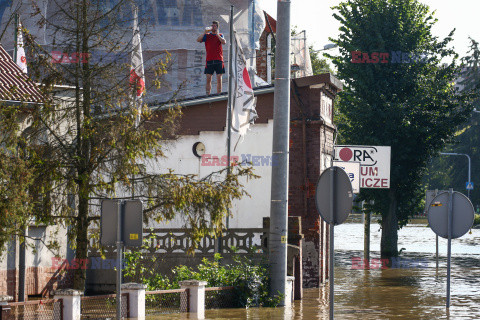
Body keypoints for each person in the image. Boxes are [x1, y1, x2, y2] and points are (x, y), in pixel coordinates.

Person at [196, 20, 226, 95]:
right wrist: (204, 32)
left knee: (219, 78)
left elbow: (224, 42)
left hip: (219, 59)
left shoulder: (220, 35)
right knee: (208, 78)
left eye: (214, 26)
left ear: (217, 27)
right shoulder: (207, 35)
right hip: (209, 60)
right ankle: (207, 95)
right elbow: (198, 40)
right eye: (212, 26)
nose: (213, 27)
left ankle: (219, 94)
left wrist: (217, 34)